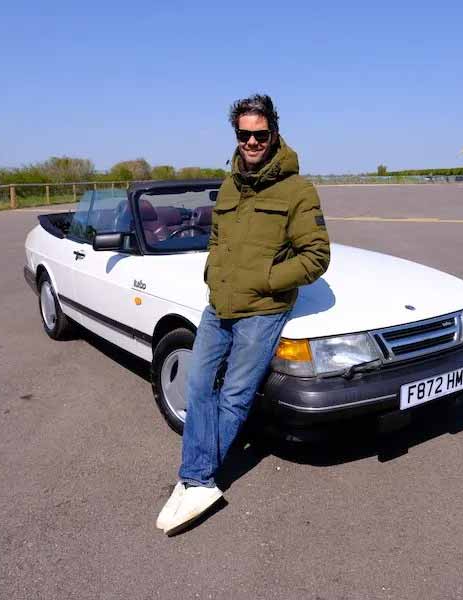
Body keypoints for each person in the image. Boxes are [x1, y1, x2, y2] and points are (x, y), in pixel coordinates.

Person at [156, 94, 331, 535]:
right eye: (244, 134)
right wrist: (213, 272)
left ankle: (196, 479)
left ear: (273, 133)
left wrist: (267, 280)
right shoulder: (231, 182)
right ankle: (197, 474)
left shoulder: (297, 190)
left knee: (234, 393)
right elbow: (217, 235)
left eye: (260, 134)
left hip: (262, 309)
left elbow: (316, 257)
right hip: (220, 303)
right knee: (197, 383)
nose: (252, 141)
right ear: (236, 135)